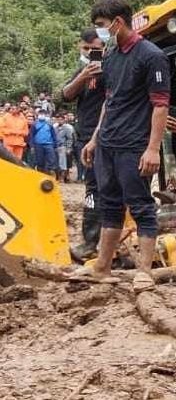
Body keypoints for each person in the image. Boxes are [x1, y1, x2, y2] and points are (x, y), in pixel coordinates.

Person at [81, 0, 170, 284]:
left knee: (141, 206)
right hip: (108, 143)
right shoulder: (111, 57)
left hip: (134, 145)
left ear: (118, 22)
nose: (100, 30)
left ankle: (145, 271)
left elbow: (160, 105)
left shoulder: (151, 56)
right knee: (109, 206)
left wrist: (153, 149)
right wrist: (95, 139)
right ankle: (102, 267)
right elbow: (109, 101)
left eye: (102, 24)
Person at [61, 29, 108, 255]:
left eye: (95, 49)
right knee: (92, 189)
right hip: (84, 138)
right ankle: (90, 241)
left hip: (106, 136)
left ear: (105, 48)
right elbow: (65, 95)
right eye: (86, 48)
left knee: (107, 188)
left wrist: (97, 137)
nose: (90, 52)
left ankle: (106, 243)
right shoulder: (83, 70)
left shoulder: (112, 68)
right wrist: (83, 76)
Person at [28, 108, 57, 175]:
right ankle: (40, 173)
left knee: (51, 160)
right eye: (40, 114)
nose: (42, 115)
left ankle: (49, 172)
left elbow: (53, 135)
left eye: (43, 114)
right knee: (39, 161)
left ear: (46, 115)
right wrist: (32, 146)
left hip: (49, 144)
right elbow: (31, 136)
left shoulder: (49, 124)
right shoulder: (34, 124)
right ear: (38, 115)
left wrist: (55, 145)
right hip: (38, 145)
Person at [53, 114, 75, 182]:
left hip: (63, 147)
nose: (60, 121)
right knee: (56, 163)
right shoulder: (55, 128)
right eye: (58, 119)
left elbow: (69, 139)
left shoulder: (67, 128)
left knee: (62, 164)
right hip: (55, 147)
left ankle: (62, 178)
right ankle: (57, 177)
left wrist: (68, 148)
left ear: (64, 120)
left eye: (61, 119)